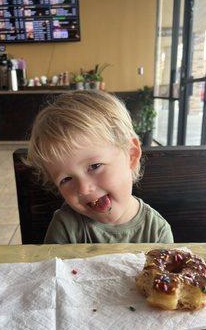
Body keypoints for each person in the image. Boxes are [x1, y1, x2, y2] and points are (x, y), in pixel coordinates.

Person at [27, 90, 173, 244]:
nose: (83, 189)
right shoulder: (65, 227)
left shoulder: (157, 231)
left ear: (131, 155)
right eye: (66, 179)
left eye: (95, 166)